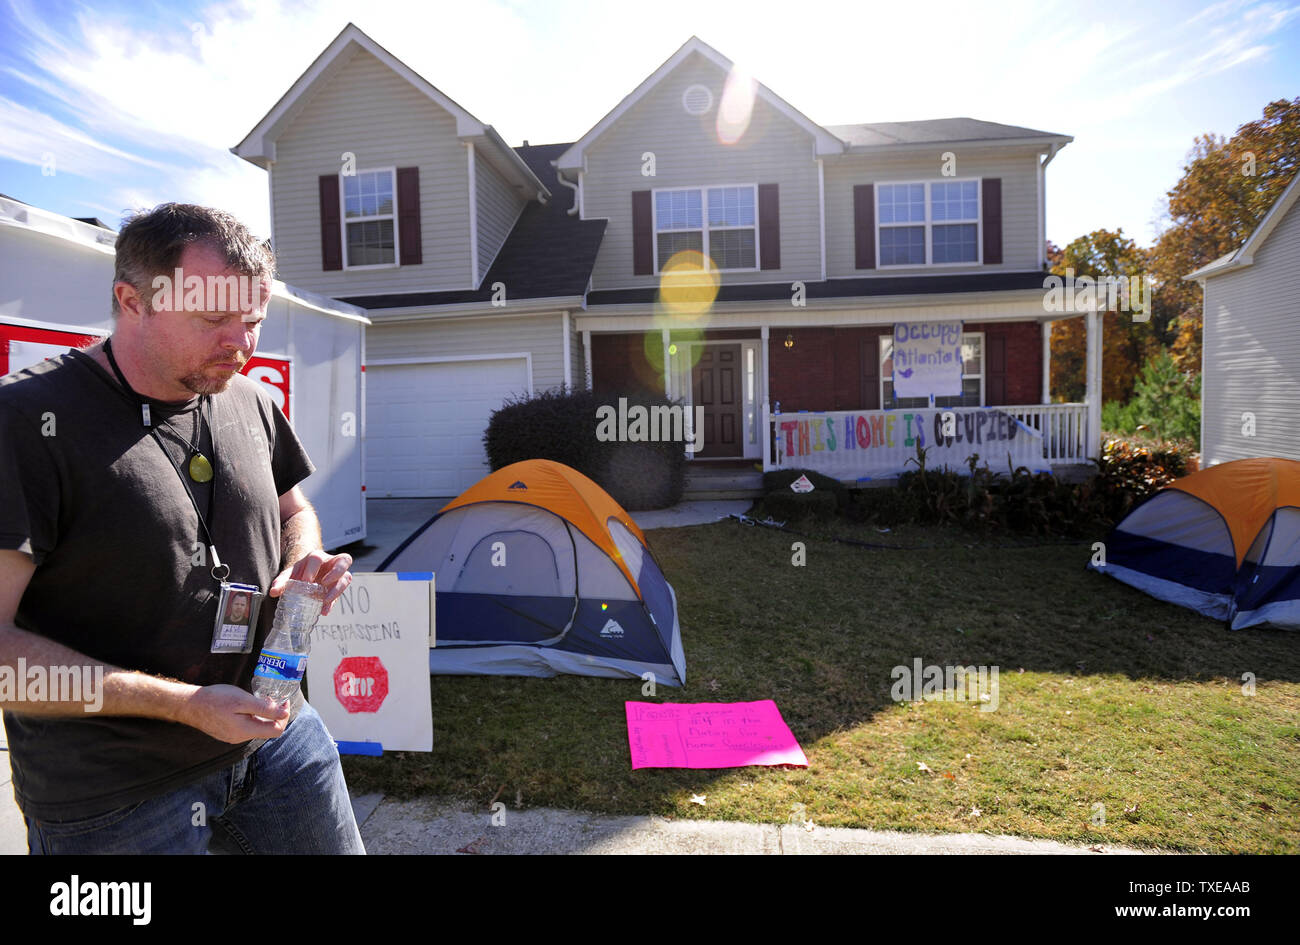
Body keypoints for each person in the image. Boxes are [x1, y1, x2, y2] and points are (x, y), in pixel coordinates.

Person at [0, 203, 364, 854]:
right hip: (115, 798)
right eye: (214, 318)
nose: (242, 345)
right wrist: (184, 705)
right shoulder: (25, 421)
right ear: (131, 300)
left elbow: (292, 508)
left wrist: (303, 558)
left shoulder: (249, 399)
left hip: (278, 737)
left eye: (253, 321)